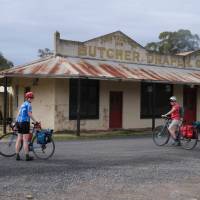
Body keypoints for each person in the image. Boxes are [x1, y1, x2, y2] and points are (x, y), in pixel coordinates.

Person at [15, 91, 38, 161]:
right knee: (25, 140)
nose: (32, 99)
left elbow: (18, 113)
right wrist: (35, 121)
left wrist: (16, 122)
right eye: (31, 98)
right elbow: (29, 114)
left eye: (32, 98)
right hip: (25, 123)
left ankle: (17, 155)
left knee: (19, 139)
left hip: (19, 122)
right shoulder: (29, 105)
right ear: (28, 98)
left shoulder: (23, 104)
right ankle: (27, 156)